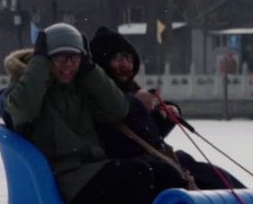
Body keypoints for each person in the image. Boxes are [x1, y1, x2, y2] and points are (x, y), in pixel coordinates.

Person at [2, 22, 186, 204]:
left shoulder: (81, 87)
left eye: (75, 58)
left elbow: (118, 109)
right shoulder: (26, 88)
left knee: (165, 172)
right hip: (66, 179)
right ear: (46, 59)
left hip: (95, 170)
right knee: (137, 175)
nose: (69, 65)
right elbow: (22, 111)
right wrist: (39, 63)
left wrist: (89, 69)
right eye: (61, 58)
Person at [87, 25, 243, 189]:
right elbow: (120, 137)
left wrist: (164, 116)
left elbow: (147, 133)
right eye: (118, 59)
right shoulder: (100, 97)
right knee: (172, 174)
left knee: (206, 172)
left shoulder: (132, 89)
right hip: (132, 167)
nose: (125, 65)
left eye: (129, 59)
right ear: (103, 62)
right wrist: (136, 104)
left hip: (157, 157)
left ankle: (246, 201)